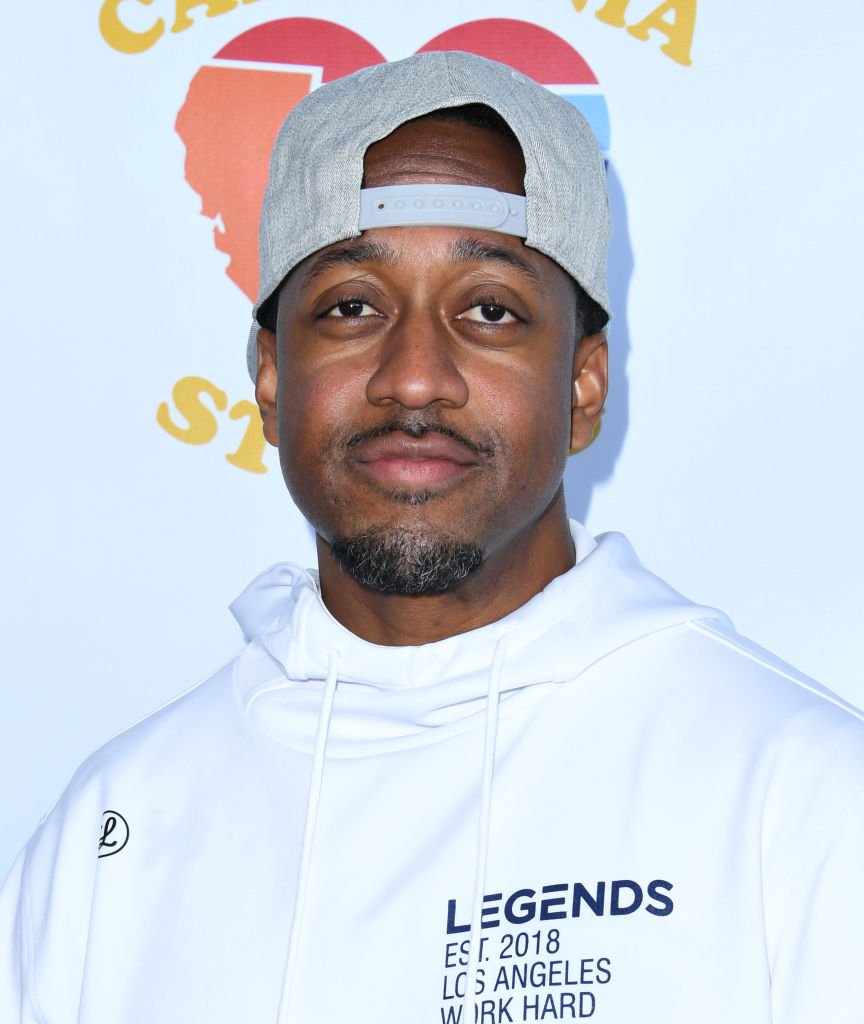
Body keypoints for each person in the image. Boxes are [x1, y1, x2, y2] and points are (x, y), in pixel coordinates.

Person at [2, 50, 862, 1024]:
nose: (414, 378)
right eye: (352, 307)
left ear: (584, 385)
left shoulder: (799, 798)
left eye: (489, 310)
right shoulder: (110, 840)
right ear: (272, 377)